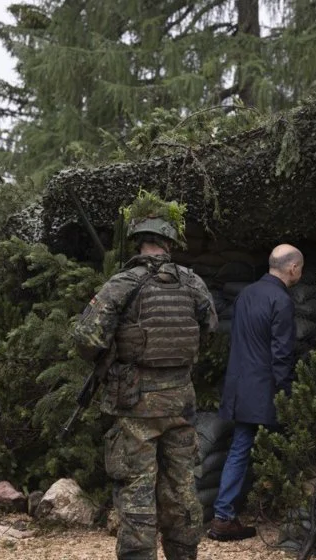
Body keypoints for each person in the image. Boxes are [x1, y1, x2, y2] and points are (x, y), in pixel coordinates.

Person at [71, 194, 217, 560]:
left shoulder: (123, 283)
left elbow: (85, 339)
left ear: (140, 241)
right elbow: (209, 328)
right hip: (180, 402)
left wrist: (116, 351)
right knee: (182, 487)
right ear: (169, 242)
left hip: (136, 403)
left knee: (137, 489)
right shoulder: (193, 283)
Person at [208, 244, 303, 541]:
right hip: (264, 388)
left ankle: (225, 515)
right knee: (285, 445)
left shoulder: (245, 294)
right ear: (293, 269)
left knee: (240, 446)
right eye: (300, 267)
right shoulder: (282, 301)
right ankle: (234, 516)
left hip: (239, 384)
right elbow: (282, 353)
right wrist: (287, 394)